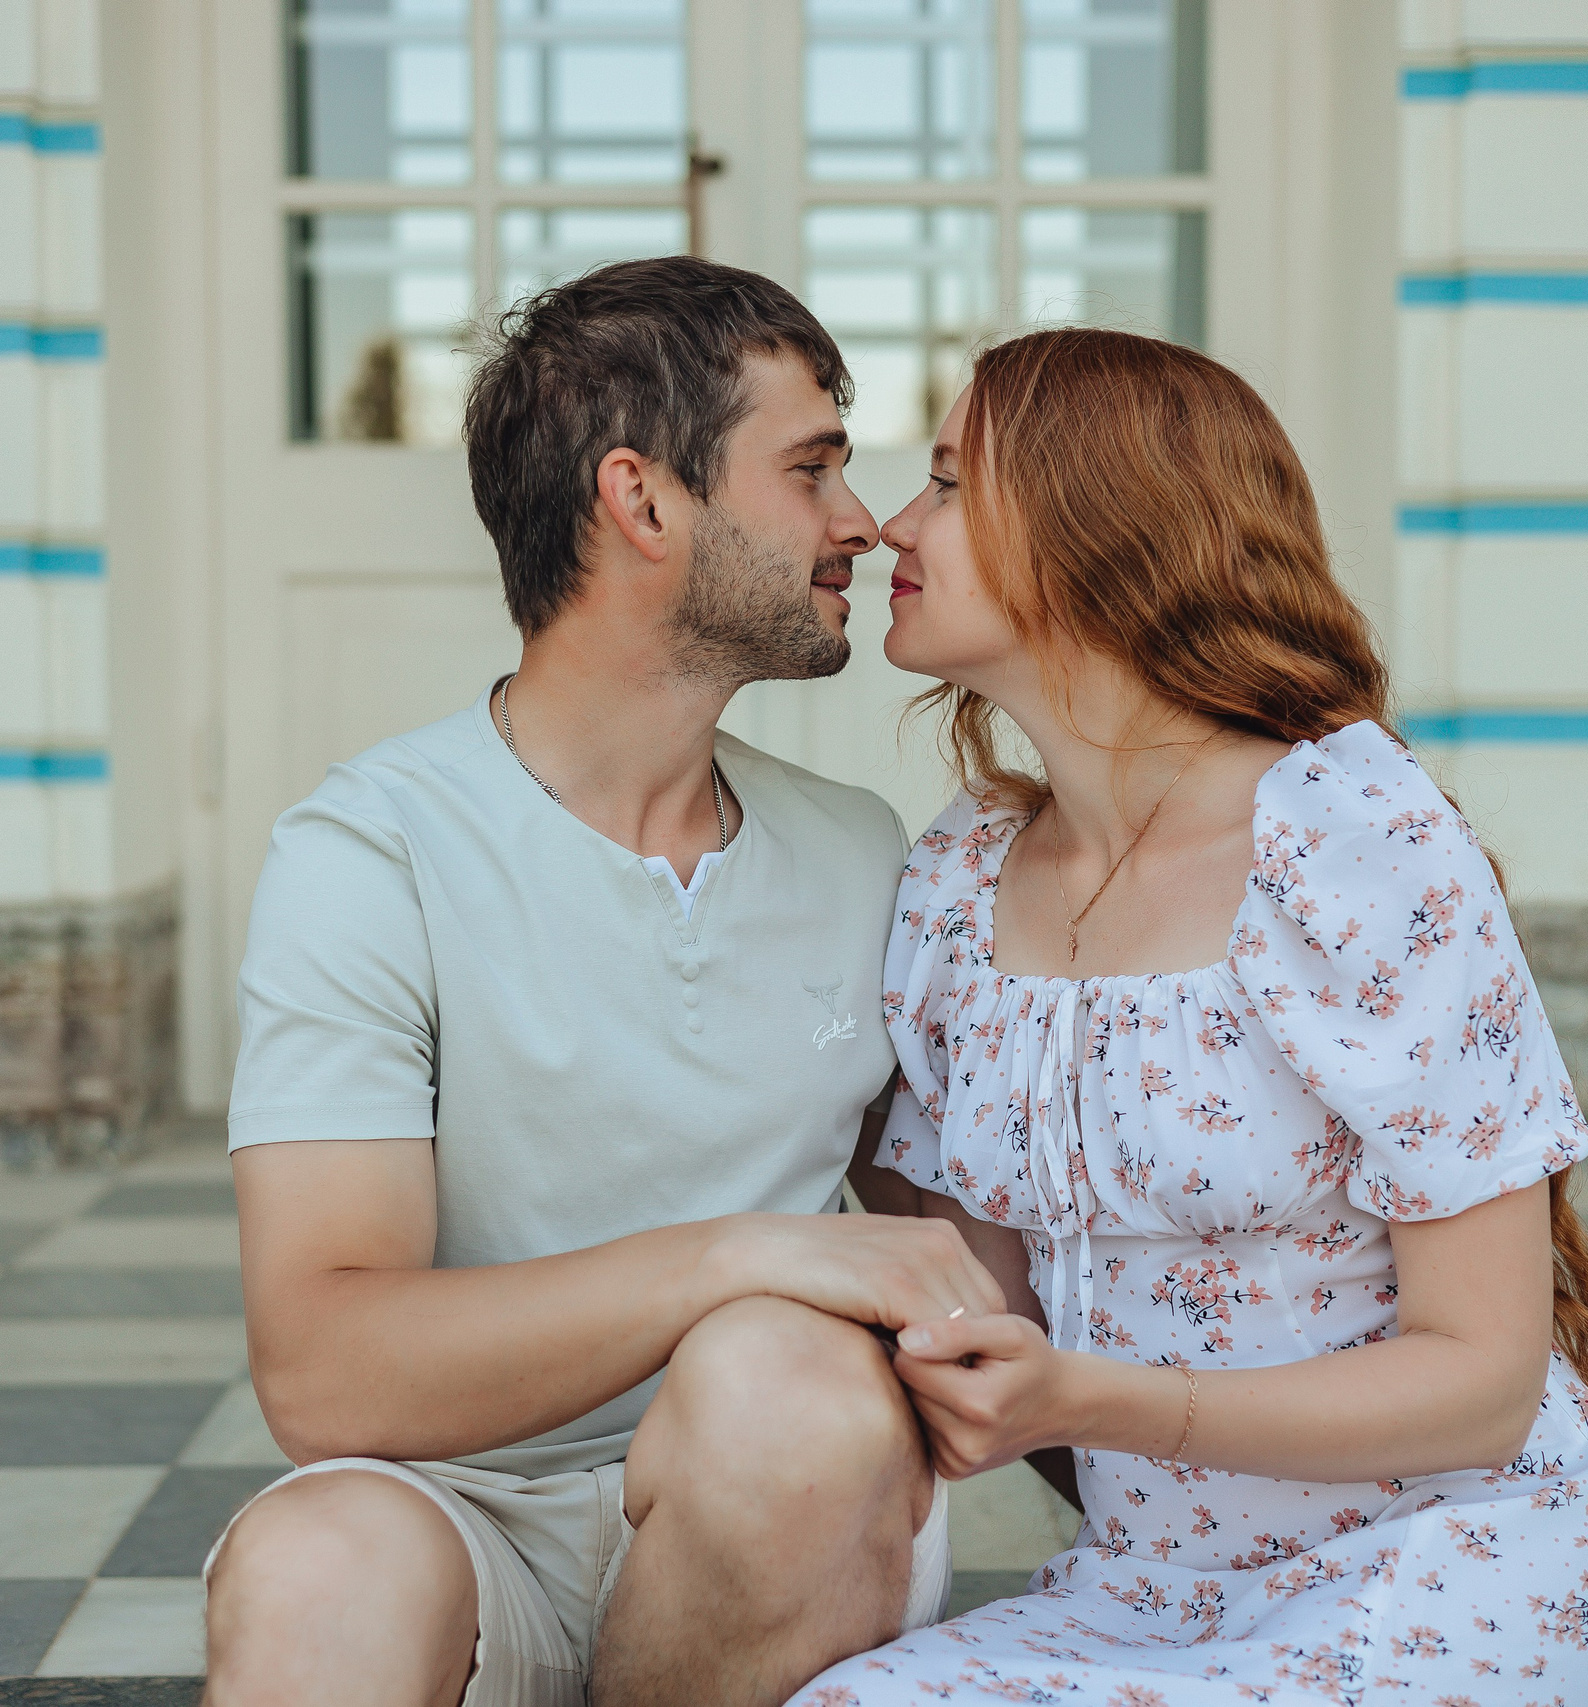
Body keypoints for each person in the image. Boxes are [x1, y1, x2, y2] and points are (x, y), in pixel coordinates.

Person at [798, 328, 1588, 1705]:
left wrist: (1092, 1404)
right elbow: (985, 1309)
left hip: (1437, 1565)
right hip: (1145, 1592)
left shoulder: (1350, 852)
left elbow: (1487, 1381)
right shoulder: (961, 887)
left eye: (953, 485)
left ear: (1102, 528)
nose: (892, 527)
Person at [202, 257, 1004, 1707]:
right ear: (641, 501)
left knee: (800, 1389)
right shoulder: (369, 851)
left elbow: (966, 1266)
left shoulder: (860, 857)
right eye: (813, 467)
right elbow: (322, 1371)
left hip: (776, 1506)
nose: (864, 523)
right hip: (464, 1516)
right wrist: (735, 1252)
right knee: (317, 1560)